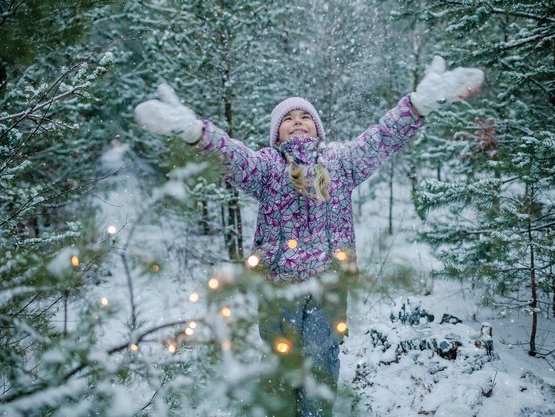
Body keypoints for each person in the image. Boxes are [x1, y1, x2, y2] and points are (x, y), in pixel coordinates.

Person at [135, 56, 484, 417]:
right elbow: (233, 157)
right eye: (287, 119)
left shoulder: (341, 161)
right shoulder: (268, 167)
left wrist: (415, 107)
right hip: (277, 289)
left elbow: (382, 138)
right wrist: (196, 132)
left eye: (304, 117)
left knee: (322, 364)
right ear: (276, 134)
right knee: (280, 367)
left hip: (329, 287)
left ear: (317, 129)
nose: (297, 122)